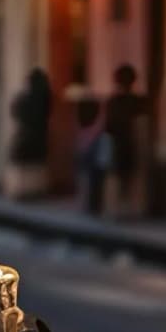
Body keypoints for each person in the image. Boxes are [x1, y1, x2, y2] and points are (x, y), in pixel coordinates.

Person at [104, 64, 146, 217]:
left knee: (114, 176)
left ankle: (112, 210)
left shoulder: (112, 102)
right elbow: (141, 124)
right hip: (132, 141)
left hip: (116, 142)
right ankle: (136, 208)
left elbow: (107, 126)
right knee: (134, 175)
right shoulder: (138, 101)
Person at [5, 68, 51, 199]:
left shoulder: (26, 98)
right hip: (38, 135)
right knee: (36, 164)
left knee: (23, 163)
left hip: (26, 134)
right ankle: (34, 190)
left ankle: (22, 191)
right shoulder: (45, 96)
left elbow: (15, 110)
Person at [66, 83, 111, 216]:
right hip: (93, 145)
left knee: (84, 174)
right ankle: (92, 204)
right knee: (94, 177)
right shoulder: (97, 111)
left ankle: (86, 203)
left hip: (84, 144)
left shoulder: (82, 112)